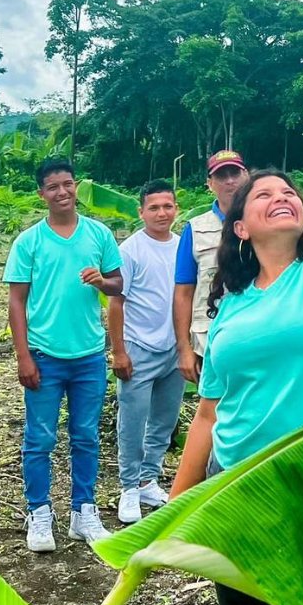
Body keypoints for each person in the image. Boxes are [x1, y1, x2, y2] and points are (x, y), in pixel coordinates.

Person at [170, 42, 303, 605]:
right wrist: (175, 509)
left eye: (289, 191)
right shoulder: (230, 312)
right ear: (239, 228)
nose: (282, 195)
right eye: (263, 194)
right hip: (239, 489)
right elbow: (209, 416)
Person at [3, 156, 123, 552]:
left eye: (68, 184)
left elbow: (116, 285)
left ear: (76, 186)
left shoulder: (98, 235)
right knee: (39, 438)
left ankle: (83, 512)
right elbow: (17, 302)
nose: (62, 192)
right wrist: (24, 356)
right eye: (53, 186)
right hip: (45, 355)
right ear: (42, 194)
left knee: (86, 436)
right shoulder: (30, 242)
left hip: (89, 354)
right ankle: (39, 513)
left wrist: (102, 281)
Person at [109, 180, 185, 524]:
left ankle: (147, 479)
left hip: (175, 347)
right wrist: (119, 352)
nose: (161, 213)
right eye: (153, 207)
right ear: (141, 212)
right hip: (139, 347)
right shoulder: (130, 250)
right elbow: (116, 302)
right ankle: (127, 487)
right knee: (132, 421)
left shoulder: (184, 247)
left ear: (176, 209)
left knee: (164, 420)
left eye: (167, 206)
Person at [173, 150, 248, 382]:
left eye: (235, 173)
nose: (229, 181)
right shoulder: (195, 229)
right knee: (214, 411)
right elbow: (184, 293)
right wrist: (184, 349)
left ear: (246, 175)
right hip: (210, 340)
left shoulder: (263, 220)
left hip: (257, 335)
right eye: (221, 175)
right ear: (210, 184)